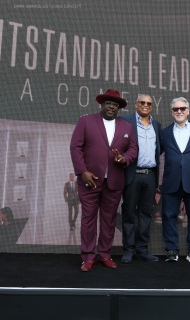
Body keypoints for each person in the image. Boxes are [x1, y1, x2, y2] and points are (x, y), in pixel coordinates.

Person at [70, 89, 138, 272]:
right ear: (101, 104)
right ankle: (87, 257)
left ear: (118, 108)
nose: (111, 107)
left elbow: (133, 148)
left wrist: (124, 159)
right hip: (89, 180)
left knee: (108, 220)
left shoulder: (126, 127)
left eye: (115, 105)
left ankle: (105, 255)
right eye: (108, 103)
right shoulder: (86, 121)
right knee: (88, 219)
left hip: (114, 181)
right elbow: (75, 147)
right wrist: (82, 172)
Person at [119, 94, 161, 263]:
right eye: (142, 102)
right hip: (132, 174)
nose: (145, 105)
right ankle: (128, 250)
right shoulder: (125, 121)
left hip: (150, 176)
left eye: (149, 103)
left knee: (146, 214)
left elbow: (160, 149)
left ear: (152, 106)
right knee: (129, 213)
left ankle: (142, 249)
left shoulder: (156, 125)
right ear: (136, 104)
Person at [161, 97, 190, 262]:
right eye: (176, 109)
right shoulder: (164, 132)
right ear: (172, 112)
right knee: (168, 216)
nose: (179, 111)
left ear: (188, 110)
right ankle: (171, 250)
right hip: (171, 181)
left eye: (182, 108)